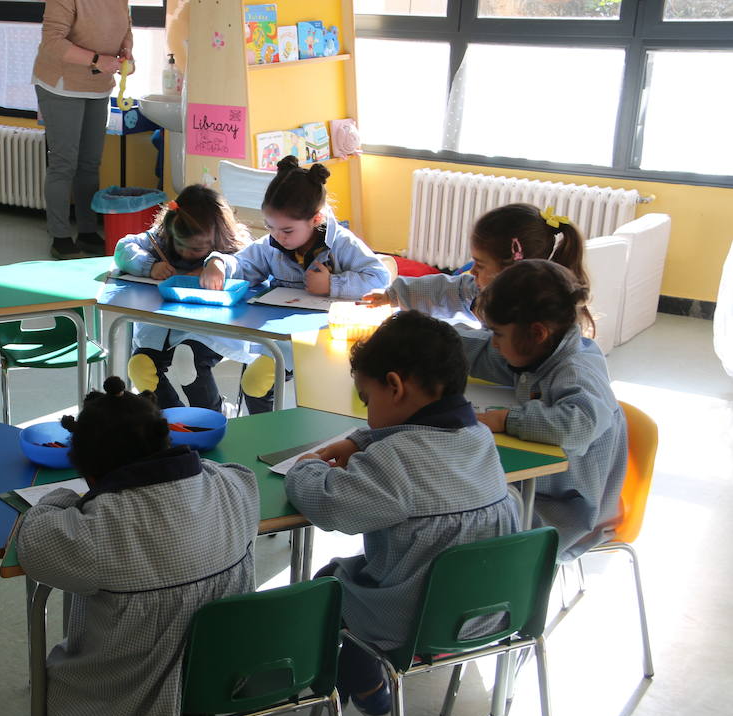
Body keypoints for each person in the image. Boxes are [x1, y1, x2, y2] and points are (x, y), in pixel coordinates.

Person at [17, 377, 259, 716]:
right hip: (220, 678)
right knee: (194, 640)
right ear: (166, 438)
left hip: (133, 681)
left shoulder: (102, 529)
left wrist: (61, 500)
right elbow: (237, 473)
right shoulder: (230, 489)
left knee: (67, 688)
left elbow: (34, 543)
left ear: (87, 468)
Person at [284, 310, 518, 716]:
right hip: (491, 611)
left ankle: (361, 683)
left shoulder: (396, 462)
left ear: (394, 386)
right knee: (362, 573)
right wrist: (362, 440)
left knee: (329, 583)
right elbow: (416, 433)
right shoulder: (479, 438)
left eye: (366, 397)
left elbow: (329, 506)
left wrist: (307, 465)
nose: (365, 409)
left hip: (417, 623)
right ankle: (362, 677)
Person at [459, 259, 625, 562]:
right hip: (534, 492)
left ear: (536, 333)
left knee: (455, 522)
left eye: (497, 334)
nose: (493, 344)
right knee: (455, 504)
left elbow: (580, 425)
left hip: (566, 515)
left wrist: (507, 420)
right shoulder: (540, 351)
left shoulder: (575, 369)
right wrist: (428, 341)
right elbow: (482, 351)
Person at [232, 155, 390, 411]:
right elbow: (244, 266)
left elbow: (380, 279)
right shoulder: (272, 244)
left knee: (325, 401)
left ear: (316, 219)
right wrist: (218, 264)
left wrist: (332, 285)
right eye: (270, 227)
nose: (277, 237)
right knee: (253, 383)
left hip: (332, 341)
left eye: (287, 231)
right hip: (285, 337)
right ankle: (269, 438)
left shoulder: (343, 244)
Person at [114, 184, 252, 411]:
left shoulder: (231, 247)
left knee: (186, 359)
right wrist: (150, 266)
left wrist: (217, 262)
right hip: (160, 331)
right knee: (140, 366)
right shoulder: (161, 239)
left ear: (217, 235)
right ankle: (175, 420)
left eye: (197, 248)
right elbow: (123, 248)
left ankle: (212, 417)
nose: (187, 252)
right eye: (181, 244)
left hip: (206, 333)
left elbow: (249, 264)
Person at [362, 203, 589, 327]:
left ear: (512, 272)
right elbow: (445, 290)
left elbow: (490, 352)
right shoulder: (480, 290)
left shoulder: (546, 317)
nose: (472, 271)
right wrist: (392, 295)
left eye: (480, 265)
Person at [32, 0, 133, 260]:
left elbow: (125, 27)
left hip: (98, 86)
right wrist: (99, 59)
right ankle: (60, 237)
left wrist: (126, 51)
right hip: (61, 85)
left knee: (89, 163)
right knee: (64, 163)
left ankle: (87, 232)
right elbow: (52, 42)